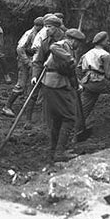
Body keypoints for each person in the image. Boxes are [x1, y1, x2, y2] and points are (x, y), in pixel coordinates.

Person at [42, 28, 85, 162]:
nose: (79, 45)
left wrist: (76, 85)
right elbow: (53, 47)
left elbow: (69, 71)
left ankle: (53, 150)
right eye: (78, 42)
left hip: (55, 84)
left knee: (58, 119)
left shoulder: (69, 48)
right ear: (73, 40)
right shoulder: (63, 45)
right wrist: (69, 57)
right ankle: (59, 152)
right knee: (69, 117)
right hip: (56, 85)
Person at [76, 31, 110, 132]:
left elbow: (78, 69)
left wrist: (81, 81)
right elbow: (109, 75)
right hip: (99, 80)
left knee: (85, 107)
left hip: (87, 82)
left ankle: (78, 130)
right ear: (102, 42)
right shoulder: (105, 55)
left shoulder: (86, 54)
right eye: (106, 40)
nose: (108, 42)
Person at [27, 15, 65, 128]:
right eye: (45, 27)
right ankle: (29, 120)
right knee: (33, 94)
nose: (47, 29)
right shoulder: (45, 42)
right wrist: (35, 75)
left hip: (60, 73)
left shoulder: (65, 41)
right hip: (44, 72)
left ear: (57, 27)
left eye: (49, 27)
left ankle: (56, 123)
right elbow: (38, 61)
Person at [1, 16, 44, 117]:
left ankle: (27, 103)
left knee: (32, 83)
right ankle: (7, 106)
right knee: (21, 84)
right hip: (25, 61)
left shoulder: (40, 34)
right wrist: (27, 62)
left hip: (33, 60)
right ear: (37, 26)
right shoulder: (29, 33)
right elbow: (20, 49)